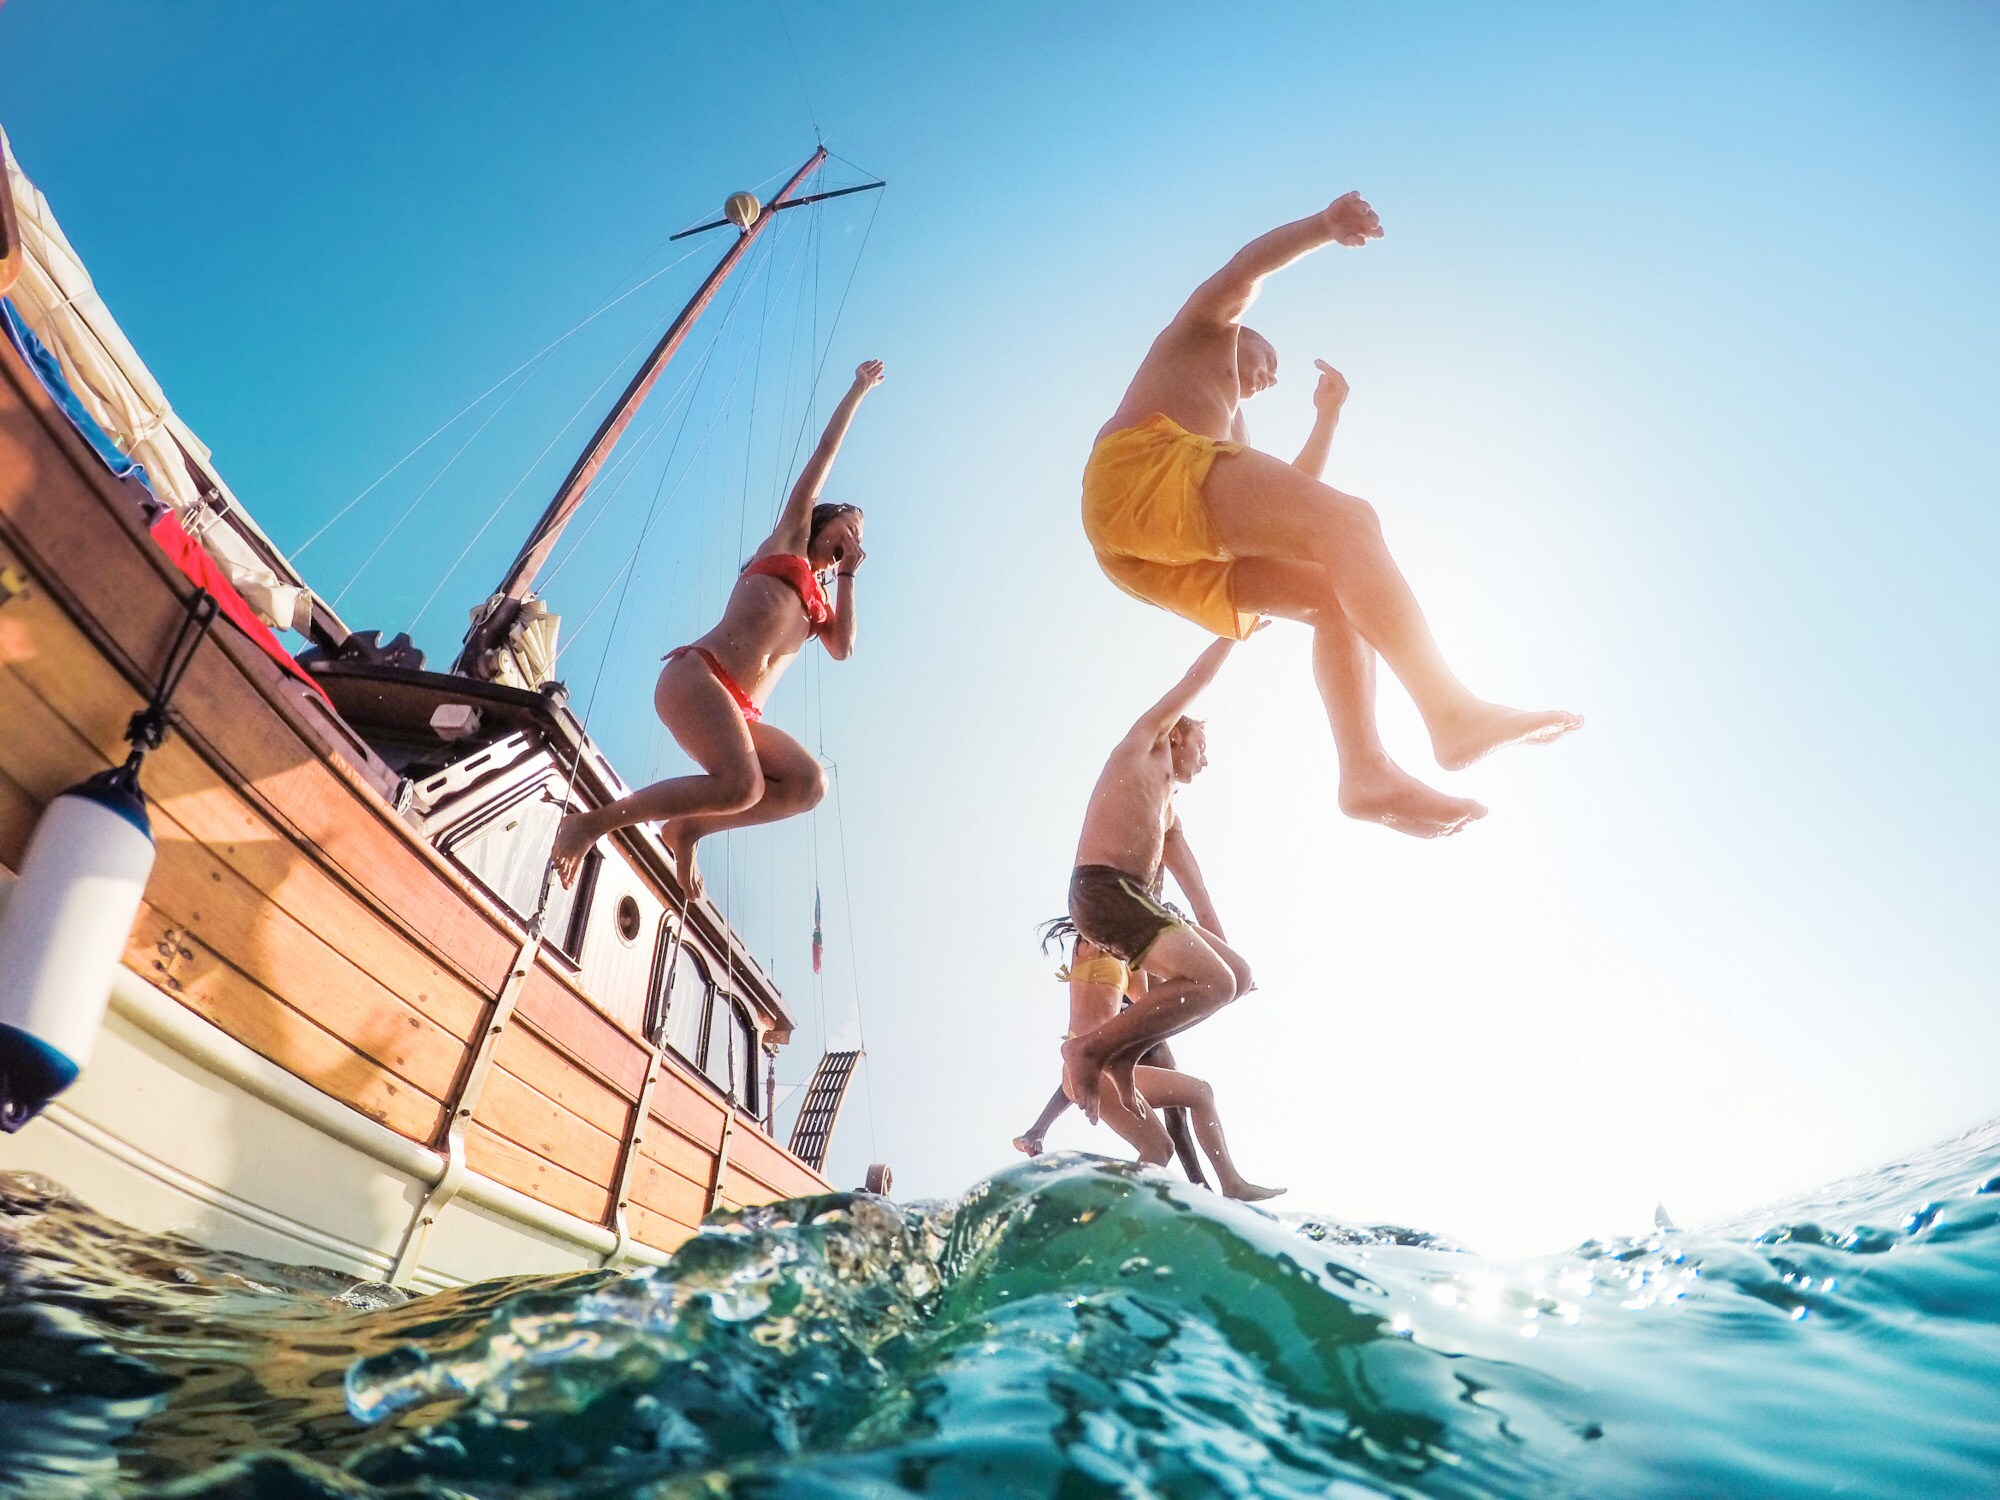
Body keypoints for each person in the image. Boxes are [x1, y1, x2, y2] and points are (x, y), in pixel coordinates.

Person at [1083, 191, 1580, 839]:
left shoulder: (1226, 428)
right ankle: (1451, 714)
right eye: (1270, 362)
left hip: (1143, 551)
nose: (1271, 377)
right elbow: (1244, 268)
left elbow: (1287, 504)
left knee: (1331, 590)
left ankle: (1365, 772)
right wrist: (1322, 227)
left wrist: (1327, 417)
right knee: (1353, 521)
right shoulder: (1204, 331)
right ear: (1245, 335)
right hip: (1135, 475)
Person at [552, 360, 885, 893]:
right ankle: (591, 824)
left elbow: (845, 648)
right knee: (742, 784)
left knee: (807, 784)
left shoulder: (821, 607)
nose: (856, 537)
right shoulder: (789, 539)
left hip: (740, 710)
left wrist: (847, 574)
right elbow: (823, 454)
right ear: (827, 521)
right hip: (697, 676)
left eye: (861, 536)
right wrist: (859, 389)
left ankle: (687, 828)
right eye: (851, 526)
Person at [1058, 636, 1267, 1130]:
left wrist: (1228, 956)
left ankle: (1123, 1054)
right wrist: (1235, 629)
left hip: (1133, 904)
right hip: (1103, 889)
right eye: (1203, 746)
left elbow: (1195, 891)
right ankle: (1091, 1051)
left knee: (1231, 975)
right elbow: (1195, 680)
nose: (1206, 759)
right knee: (1216, 981)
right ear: (1179, 736)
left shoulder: (1168, 814)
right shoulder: (1147, 743)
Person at [1020, 923, 1281, 1202]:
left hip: (1106, 1067)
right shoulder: (1091, 942)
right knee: (1160, 1146)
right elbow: (1096, 910)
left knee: (1188, 1109)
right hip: (1088, 1064)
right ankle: (1107, 1206)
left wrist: (1220, 988)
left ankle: (1230, 1185)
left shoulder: (1131, 963)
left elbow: (1155, 1002)